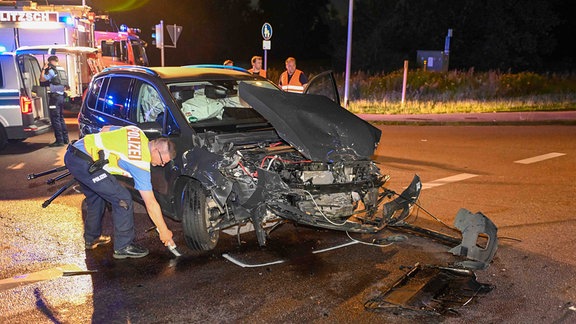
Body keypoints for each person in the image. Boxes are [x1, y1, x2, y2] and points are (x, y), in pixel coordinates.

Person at [64, 125, 177, 259]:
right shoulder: (140, 162)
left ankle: (91, 238)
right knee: (123, 199)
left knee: (97, 197)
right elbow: (151, 203)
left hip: (74, 153)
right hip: (86, 163)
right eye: (163, 161)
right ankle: (124, 246)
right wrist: (164, 231)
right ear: (156, 149)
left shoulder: (136, 131)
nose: (162, 164)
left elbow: (105, 129)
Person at [40, 55, 69, 147]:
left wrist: (44, 69)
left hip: (55, 98)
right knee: (61, 118)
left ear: (51, 61)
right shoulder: (62, 70)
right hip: (61, 96)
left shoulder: (53, 70)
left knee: (55, 119)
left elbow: (42, 79)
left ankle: (59, 141)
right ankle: (65, 139)